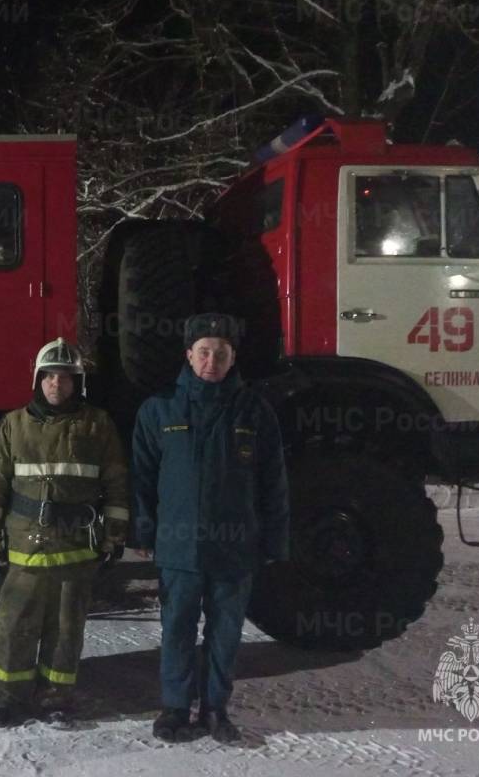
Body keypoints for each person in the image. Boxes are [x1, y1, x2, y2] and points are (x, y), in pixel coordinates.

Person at [131, 313, 289, 744]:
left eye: (221, 353)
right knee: (177, 629)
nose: (211, 360)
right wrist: (143, 530)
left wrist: (275, 538)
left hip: (235, 549)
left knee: (225, 634)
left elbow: (273, 481)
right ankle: (175, 709)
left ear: (233, 357)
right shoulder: (160, 409)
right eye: (204, 351)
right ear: (188, 354)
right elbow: (142, 476)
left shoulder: (254, 411)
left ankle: (216, 710)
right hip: (179, 550)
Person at [0, 338, 130, 728]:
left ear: (77, 383)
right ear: (37, 380)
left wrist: (114, 534)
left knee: (66, 629)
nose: (55, 385)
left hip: (76, 547)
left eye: (64, 378)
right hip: (24, 543)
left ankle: (55, 698)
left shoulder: (97, 425)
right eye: (48, 377)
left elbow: (115, 482)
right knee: (14, 626)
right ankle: (5, 699)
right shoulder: (13, 424)